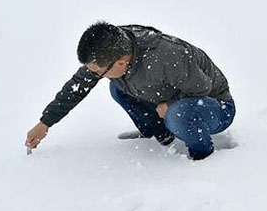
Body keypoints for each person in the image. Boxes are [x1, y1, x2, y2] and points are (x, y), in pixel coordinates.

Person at [25, 22, 235, 160]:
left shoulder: (167, 56)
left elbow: (202, 88)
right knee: (118, 89)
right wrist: (45, 123)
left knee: (178, 113)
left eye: (100, 72)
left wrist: (170, 106)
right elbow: (77, 86)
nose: (95, 75)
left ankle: (202, 156)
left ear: (121, 62)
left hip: (213, 106)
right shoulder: (112, 47)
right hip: (168, 95)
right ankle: (162, 135)